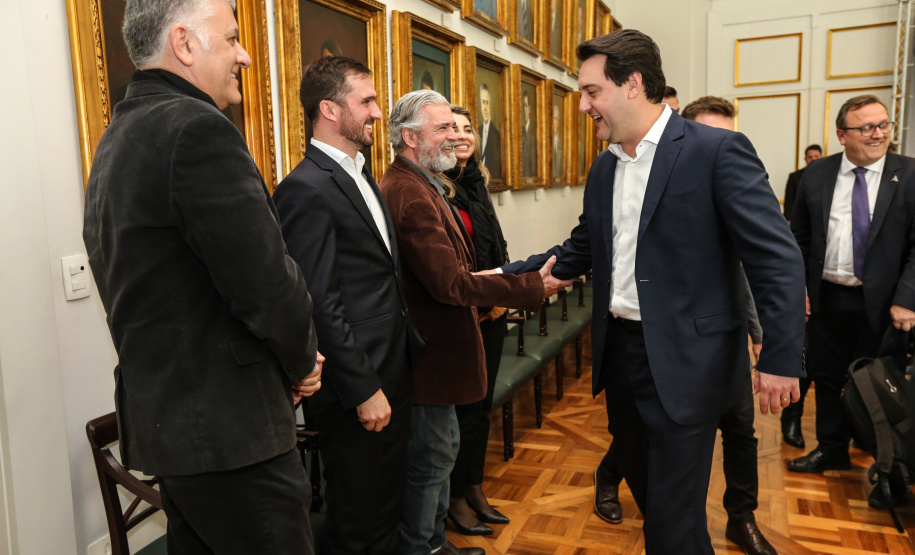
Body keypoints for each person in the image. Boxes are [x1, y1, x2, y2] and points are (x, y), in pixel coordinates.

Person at [500, 30, 806, 554]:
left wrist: (780, 356)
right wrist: (494, 280)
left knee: (670, 523)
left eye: (591, 91)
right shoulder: (605, 166)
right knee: (657, 505)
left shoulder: (716, 150)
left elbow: (775, 256)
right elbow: (580, 249)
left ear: (633, 84)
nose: (583, 106)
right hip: (621, 359)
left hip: (689, 362)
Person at [82, 0, 323, 552]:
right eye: (233, 38)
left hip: (177, 434)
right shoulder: (196, 129)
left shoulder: (116, 137)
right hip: (232, 437)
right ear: (185, 44)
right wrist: (303, 361)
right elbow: (266, 285)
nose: (244, 55)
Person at [380, 89, 570, 555]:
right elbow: (450, 284)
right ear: (410, 137)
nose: (454, 137)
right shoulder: (410, 192)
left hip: (440, 353)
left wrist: (515, 279)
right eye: (443, 128)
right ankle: (423, 548)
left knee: (442, 452)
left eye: (454, 126)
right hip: (431, 356)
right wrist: (530, 286)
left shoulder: (424, 182)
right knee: (431, 461)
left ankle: (435, 542)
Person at [273, 56, 421, 555]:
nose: (378, 112)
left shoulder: (361, 174)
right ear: (330, 110)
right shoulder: (304, 188)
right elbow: (318, 302)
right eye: (368, 101)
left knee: (387, 506)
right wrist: (363, 389)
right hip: (356, 386)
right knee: (357, 521)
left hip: (392, 368)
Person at [788, 96, 915, 509]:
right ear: (842, 135)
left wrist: (907, 300)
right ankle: (832, 449)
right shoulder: (817, 174)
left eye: (883, 125)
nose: (878, 134)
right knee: (827, 378)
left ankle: (891, 470)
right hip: (828, 299)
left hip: (885, 306)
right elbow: (799, 240)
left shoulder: (909, 174)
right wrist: (800, 289)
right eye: (867, 128)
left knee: (882, 386)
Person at [443, 104, 512, 537]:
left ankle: (473, 485)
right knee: (462, 412)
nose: (463, 135)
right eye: (452, 128)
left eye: (468, 128)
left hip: (492, 310)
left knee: (482, 408)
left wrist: (502, 293)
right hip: (462, 314)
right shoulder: (438, 188)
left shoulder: (477, 182)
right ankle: (453, 497)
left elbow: (495, 245)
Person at [779, 143, 822, 449]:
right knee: (805, 358)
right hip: (812, 287)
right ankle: (792, 417)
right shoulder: (803, 179)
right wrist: (800, 290)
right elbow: (798, 236)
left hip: (861, 295)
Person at [784, 145, 823, 224]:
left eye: (816, 156)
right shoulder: (794, 176)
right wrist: (789, 220)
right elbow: (789, 201)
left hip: (821, 220)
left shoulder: (828, 175)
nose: (813, 159)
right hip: (800, 220)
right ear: (805, 159)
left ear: (822, 157)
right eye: (810, 157)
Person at [478, 83, 502, 179]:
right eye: (483, 102)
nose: (485, 108)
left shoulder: (496, 135)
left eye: (487, 102)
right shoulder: (477, 131)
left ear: (490, 105)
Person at [521, 90, 537, 176]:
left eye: (526, 106)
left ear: (530, 108)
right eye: (523, 106)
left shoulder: (534, 133)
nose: (525, 110)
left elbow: (533, 168)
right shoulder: (521, 131)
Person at [553, 104, 564, 178]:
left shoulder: (562, 145)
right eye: (553, 118)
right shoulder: (546, 144)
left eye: (556, 118)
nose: (554, 122)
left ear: (558, 122)